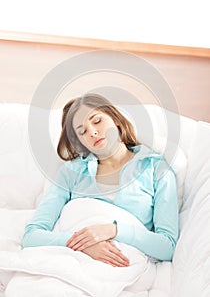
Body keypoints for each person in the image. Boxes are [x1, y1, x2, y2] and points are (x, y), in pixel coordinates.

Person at [22, 93, 179, 267]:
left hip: (126, 266)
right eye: (83, 132)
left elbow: (167, 247)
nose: (93, 132)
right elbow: (31, 236)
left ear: (116, 119)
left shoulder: (156, 169)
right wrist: (83, 245)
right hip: (71, 262)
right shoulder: (71, 172)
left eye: (97, 121)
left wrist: (113, 230)